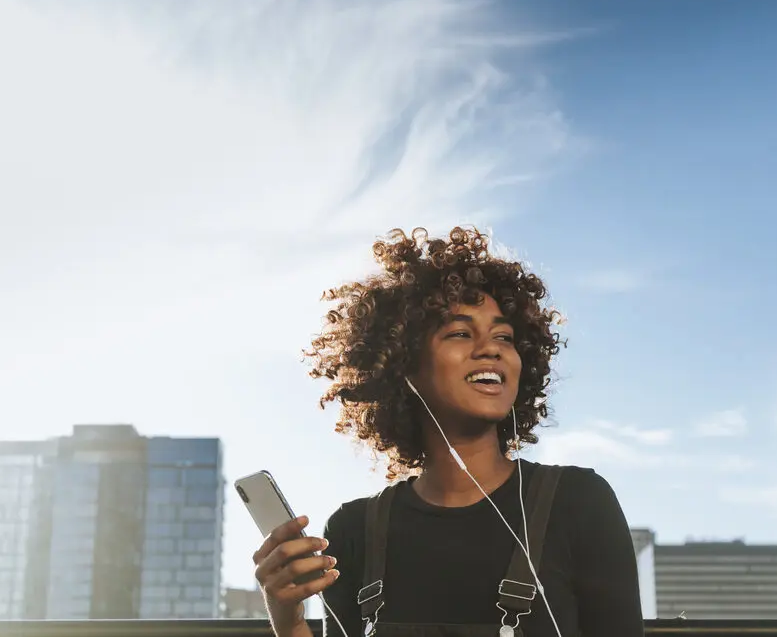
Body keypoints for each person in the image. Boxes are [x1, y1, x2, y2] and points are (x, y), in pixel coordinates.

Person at [253, 227, 643, 637]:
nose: (490, 348)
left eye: (504, 336)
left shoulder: (579, 503)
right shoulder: (353, 530)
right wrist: (288, 619)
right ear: (401, 362)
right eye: (460, 332)